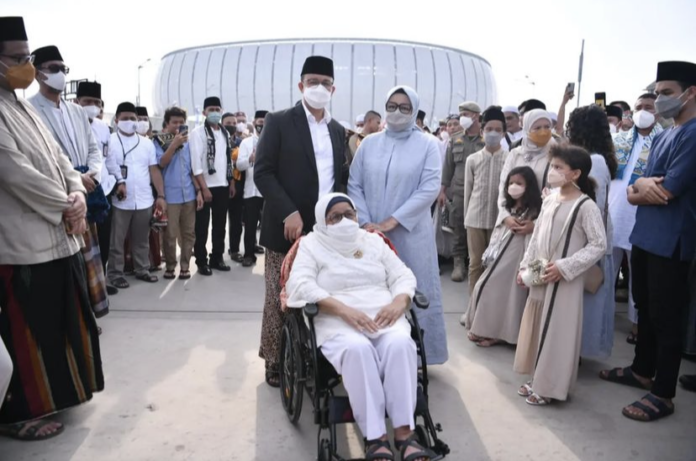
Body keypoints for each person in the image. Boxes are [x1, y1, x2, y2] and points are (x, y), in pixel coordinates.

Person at [0, 16, 103, 440]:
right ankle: (17, 413)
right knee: (27, 336)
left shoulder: (20, 104)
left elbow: (59, 158)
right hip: (23, 245)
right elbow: (14, 172)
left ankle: (56, 397)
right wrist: (65, 205)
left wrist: (77, 192)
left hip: (59, 238)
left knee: (60, 324)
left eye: (28, 56)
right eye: (18, 58)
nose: (26, 65)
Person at [286, 193, 431, 461]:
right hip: (337, 318)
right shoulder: (312, 245)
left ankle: (404, 434)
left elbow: (402, 274)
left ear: (357, 215)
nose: (344, 221)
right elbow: (300, 284)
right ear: (322, 220)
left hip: (383, 313)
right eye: (335, 217)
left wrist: (400, 302)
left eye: (349, 214)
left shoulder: (373, 241)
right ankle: (376, 439)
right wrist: (343, 310)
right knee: (357, 350)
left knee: (400, 344)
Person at [600, 61, 696, 422]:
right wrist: (644, 187)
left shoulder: (693, 134)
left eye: (666, 93)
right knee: (645, 308)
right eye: (656, 93)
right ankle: (642, 368)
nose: (658, 100)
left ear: (691, 93)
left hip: (672, 240)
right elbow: (637, 190)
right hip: (645, 235)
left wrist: (646, 187)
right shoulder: (667, 134)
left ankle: (663, 392)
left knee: (667, 317)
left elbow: (669, 188)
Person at [254, 55, 347, 387]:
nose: (319, 88)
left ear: (333, 88)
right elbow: (262, 172)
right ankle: (275, 360)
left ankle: (312, 354)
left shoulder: (338, 131)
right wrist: (288, 211)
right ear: (300, 85)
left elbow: (339, 179)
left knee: (318, 295)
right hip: (285, 226)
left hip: (325, 231)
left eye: (325, 83)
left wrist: (341, 215)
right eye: (312, 82)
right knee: (280, 295)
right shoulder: (279, 122)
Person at [349, 85, 448, 365]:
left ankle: (419, 356)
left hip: (410, 233)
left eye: (405, 108)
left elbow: (429, 188)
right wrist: (368, 223)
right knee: (372, 289)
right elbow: (354, 184)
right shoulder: (369, 143)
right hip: (370, 234)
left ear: (414, 110)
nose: (397, 112)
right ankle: (375, 353)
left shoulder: (428, 144)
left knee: (414, 290)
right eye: (392, 106)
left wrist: (392, 222)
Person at [514, 146, 607, 406]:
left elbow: (599, 244)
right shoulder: (551, 198)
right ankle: (538, 377)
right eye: (552, 166)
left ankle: (551, 387)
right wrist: (524, 267)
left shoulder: (586, 206)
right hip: (541, 272)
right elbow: (537, 237)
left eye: (558, 168)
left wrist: (565, 267)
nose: (552, 172)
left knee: (557, 330)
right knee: (538, 326)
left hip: (563, 278)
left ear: (575, 173)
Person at [27, 45, 110, 318]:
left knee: (89, 262)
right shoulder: (29, 110)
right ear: (38, 73)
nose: (60, 74)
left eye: (63, 69)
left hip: (86, 192)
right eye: (53, 68)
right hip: (60, 196)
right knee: (69, 265)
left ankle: (90, 313)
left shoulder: (76, 111)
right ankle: (76, 316)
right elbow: (37, 158)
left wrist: (92, 175)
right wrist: (76, 178)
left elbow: (94, 149)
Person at [464, 166, 542, 346]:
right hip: (501, 253)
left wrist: (532, 225)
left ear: (528, 186)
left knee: (508, 294)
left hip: (520, 255)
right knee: (485, 286)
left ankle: (495, 333)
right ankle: (483, 328)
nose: (514, 186)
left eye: (519, 183)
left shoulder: (536, 209)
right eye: (511, 183)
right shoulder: (507, 207)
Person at [609, 93, 663, 344]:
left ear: (658, 111)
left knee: (637, 280)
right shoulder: (618, 139)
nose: (642, 111)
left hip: (640, 217)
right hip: (613, 214)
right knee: (605, 273)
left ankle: (637, 325)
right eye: (638, 107)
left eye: (648, 107)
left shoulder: (664, 140)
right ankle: (601, 318)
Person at [567, 105, 618, 359]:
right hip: (588, 239)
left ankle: (577, 349)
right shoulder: (596, 157)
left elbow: (592, 208)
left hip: (588, 242)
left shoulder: (594, 162)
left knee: (586, 297)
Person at [106, 102, 166, 288]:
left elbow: (154, 170)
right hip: (120, 200)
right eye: (125, 118)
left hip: (144, 199)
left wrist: (161, 196)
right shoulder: (110, 140)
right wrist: (117, 184)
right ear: (116, 120)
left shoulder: (146, 143)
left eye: (133, 118)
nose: (130, 121)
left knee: (142, 239)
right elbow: (107, 168)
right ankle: (115, 273)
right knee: (116, 240)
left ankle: (142, 269)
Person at [76, 81, 118, 292]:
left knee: (102, 239)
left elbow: (108, 158)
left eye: (96, 102)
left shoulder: (103, 128)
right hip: (79, 191)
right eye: (87, 101)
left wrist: (119, 180)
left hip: (103, 191)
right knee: (82, 243)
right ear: (76, 102)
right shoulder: (71, 123)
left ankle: (99, 283)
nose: (92, 106)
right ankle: (83, 287)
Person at [463, 107, 509, 295]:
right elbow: (468, 191)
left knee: (495, 265)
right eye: (489, 129)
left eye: (498, 130)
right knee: (475, 264)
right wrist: (467, 219)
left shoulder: (509, 159)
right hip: (475, 219)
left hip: (499, 220)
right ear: (482, 132)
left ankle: (489, 309)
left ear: (504, 133)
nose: (493, 133)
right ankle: (472, 307)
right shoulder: (472, 160)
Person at [438, 101, 484, 282]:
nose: (462, 118)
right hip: (459, 192)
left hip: (480, 192)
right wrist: (442, 191)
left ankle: (475, 263)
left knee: (478, 228)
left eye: (465, 114)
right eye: (461, 114)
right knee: (458, 226)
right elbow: (447, 168)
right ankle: (459, 264)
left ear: (476, 116)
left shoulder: (485, 141)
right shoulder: (455, 140)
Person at [154, 106, 201, 280]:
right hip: (171, 196)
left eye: (181, 122)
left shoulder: (189, 143)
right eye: (175, 122)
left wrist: (198, 191)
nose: (178, 125)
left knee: (189, 232)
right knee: (170, 234)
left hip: (188, 194)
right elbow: (161, 163)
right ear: (167, 124)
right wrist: (174, 145)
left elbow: (192, 169)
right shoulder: (159, 141)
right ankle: (171, 266)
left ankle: (185, 266)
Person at [190, 96, 235, 275]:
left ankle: (217, 257)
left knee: (219, 226)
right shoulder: (198, 133)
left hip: (223, 185)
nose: (215, 113)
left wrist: (231, 182)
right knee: (201, 227)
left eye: (217, 109)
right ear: (204, 113)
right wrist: (204, 189)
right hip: (206, 186)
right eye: (211, 110)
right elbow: (196, 165)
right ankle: (201, 261)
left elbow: (227, 160)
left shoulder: (224, 132)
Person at [236, 110, 267, 267]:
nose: (261, 125)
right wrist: (250, 159)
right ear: (254, 123)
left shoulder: (275, 141)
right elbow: (239, 165)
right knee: (250, 225)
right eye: (259, 122)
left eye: (265, 122)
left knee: (270, 226)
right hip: (251, 190)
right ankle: (248, 254)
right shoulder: (246, 143)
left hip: (269, 192)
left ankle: (272, 258)